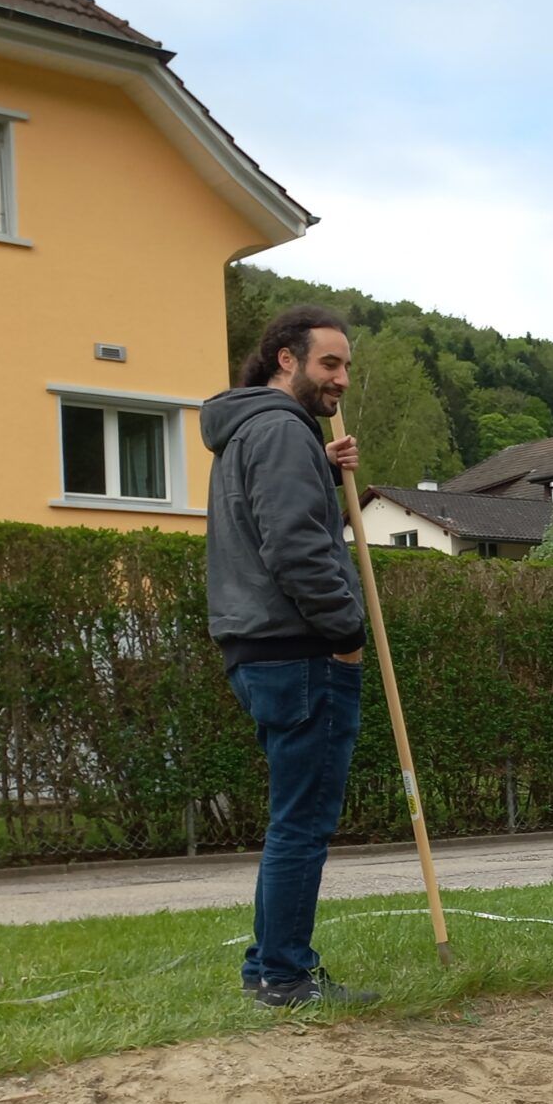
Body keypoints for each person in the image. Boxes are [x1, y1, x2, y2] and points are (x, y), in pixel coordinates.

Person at [201, 304, 379, 1010]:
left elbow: (284, 521)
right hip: (297, 650)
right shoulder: (279, 432)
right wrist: (345, 630)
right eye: (328, 364)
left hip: (261, 645)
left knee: (292, 817)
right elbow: (296, 548)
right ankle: (284, 976)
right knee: (302, 822)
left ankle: (271, 965)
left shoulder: (260, 431)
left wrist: (324, 471)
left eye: (345, 367)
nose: (339, 380)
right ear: (286, 358)